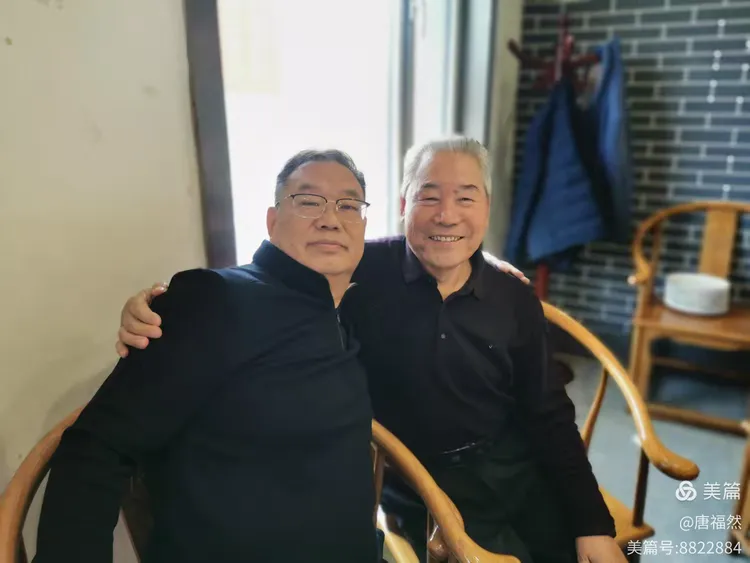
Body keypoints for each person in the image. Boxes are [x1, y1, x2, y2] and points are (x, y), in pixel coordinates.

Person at [116, 137, 627, 563]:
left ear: (487, 208)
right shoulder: (359, 270)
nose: (447, 213)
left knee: (603, 549)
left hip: (513, 463)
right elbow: (274, 273)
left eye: (466, 198)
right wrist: (165, 303)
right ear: (403, 206)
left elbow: (548, 413)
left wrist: (592, 523)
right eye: (428, 196)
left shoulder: (512, 295)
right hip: (419, 480)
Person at [34, 150, 385, 563]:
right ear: (272, 221)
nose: (331, 219)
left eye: (349, 206)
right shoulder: (215, 299)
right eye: (309, 201)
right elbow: (97, 449)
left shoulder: (346, 307)